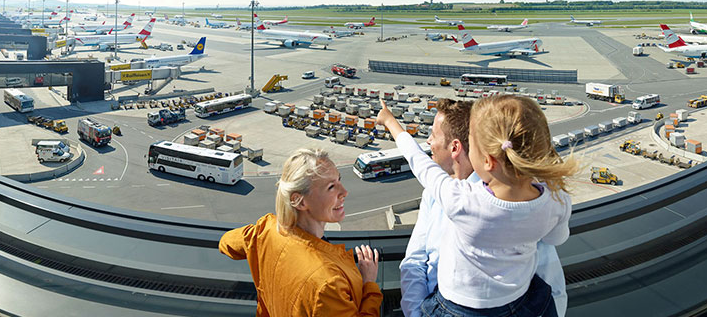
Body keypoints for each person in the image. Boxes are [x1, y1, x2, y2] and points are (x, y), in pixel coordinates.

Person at [378, 95, 579, 317]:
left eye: (471, 142)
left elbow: (418, 161)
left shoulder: (461, 200)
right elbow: (556, 239)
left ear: (488, 161)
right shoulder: (555, 200)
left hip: (457, 309)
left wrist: (391, 123)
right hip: (522, 304)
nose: (427, 141)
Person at [219, 148, 382, 316]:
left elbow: (225, 243)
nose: (344, 192)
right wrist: (369, 284)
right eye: (331, 187)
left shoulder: (264, 230)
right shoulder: (328, 284)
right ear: (299, 201)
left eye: (339, 180)